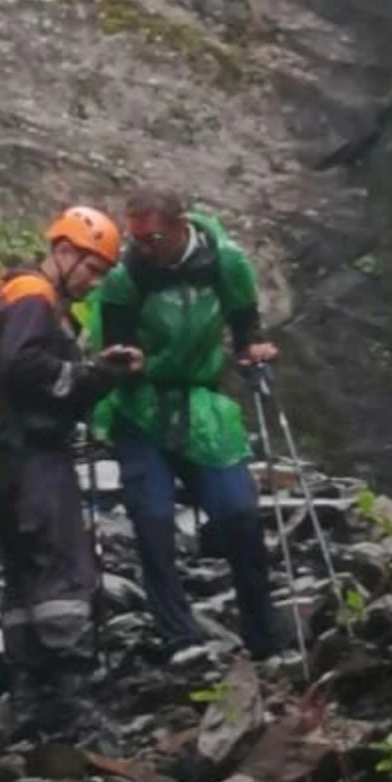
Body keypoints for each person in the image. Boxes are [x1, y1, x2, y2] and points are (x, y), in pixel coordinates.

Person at [83, 186, 285, 662]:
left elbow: (245, 326)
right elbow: (115, 341)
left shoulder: (225, 263)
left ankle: (263, 635)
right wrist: (122, 360)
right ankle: (179, 636)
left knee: (238, 512)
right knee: (152, 518)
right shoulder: (124, 278)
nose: (140, 248)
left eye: (151, 238)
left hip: (201, 404)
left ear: (180, 226)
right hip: (140, 407)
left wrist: (252, 350)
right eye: (135, 238)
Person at [0, 205, 143, 739]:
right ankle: (72, 696)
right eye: (92, 268)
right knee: (63, 570)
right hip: (31, 457)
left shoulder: (22, 294)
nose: (94, 282)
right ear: (64, 251)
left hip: (5, 459)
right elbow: (21, 366)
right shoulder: (33, 295)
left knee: (24, 574)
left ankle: (29, 696)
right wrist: (88, 375)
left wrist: (94, 377)